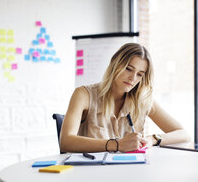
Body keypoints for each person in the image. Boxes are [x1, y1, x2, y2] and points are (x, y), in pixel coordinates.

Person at [60, 43, 190, 153]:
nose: (133, 78)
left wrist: (153, 139)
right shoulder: (83, 95)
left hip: (127, 173)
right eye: (128, 69)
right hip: (91, 174)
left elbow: (183, 134)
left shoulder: (142, 100)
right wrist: (117, 145)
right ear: (115, 65)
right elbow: (66, 142)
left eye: (139, 74)